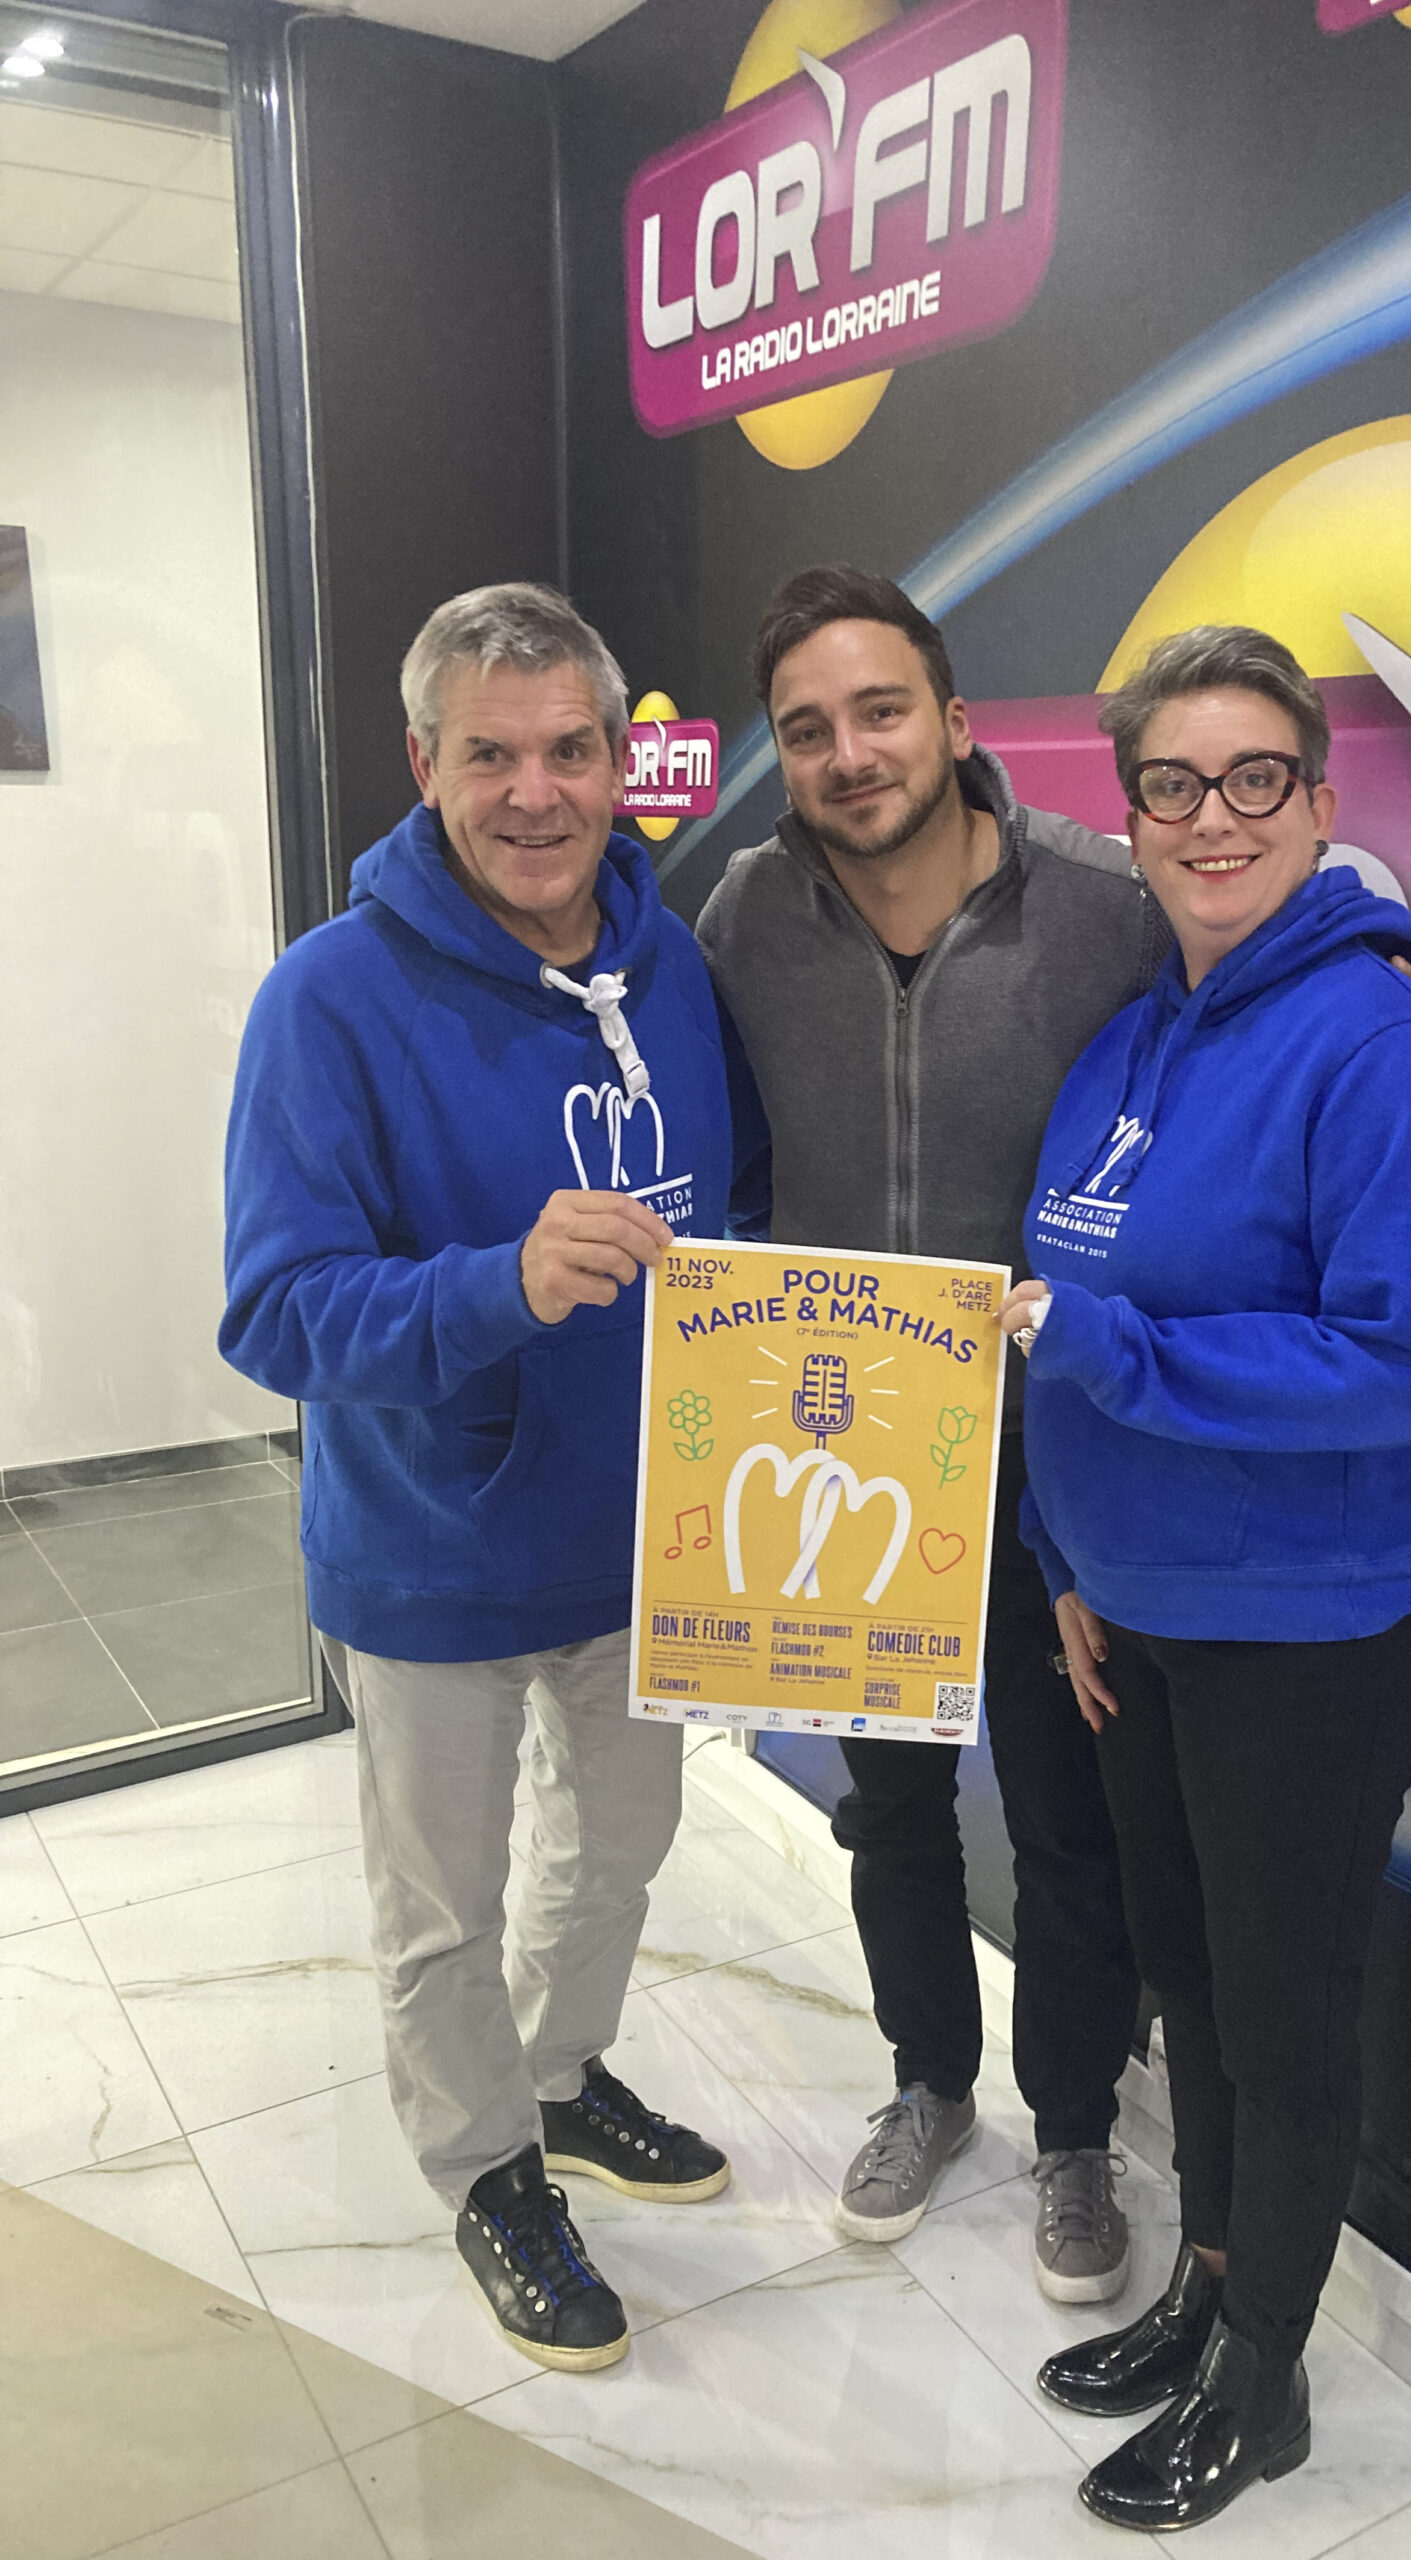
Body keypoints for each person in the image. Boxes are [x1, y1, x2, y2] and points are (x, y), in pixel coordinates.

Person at [997, 624, 1411, 2531]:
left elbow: (1409, 1365)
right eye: (1174, 786)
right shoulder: (1130, 1041)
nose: (1215, 818)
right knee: (1191, 1986)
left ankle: (1265, 2380)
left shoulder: (1381, 1049)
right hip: (1137, 1616)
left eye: (1255, 778)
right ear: (1129, 818)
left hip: (1311, 1632)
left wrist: (1124, 1358)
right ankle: (1212, 2291)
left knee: (1281, 2023)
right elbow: (1051, 1328)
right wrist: (1066, 1555)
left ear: (1319, 800)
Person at [221, 584, 740, 2376]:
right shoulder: (327, 999)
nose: (537, 792)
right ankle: (488, 2169)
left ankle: (563, 2081)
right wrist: (496, 1287)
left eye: (570, 749)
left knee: (621, 1854)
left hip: (644, 1537)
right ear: (423, 764)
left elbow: (732, 1221)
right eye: (491, 754)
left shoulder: (676, 969)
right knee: (442, 1905)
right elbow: (274, 1312)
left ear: (616, 760)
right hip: (431, 1546)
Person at [699, 565, 1157, 2300]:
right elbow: (729, 1148)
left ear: (955, 722)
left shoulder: (1106, 914)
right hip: (845, 1452)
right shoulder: (748, 912)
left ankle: (1075, 2136)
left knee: (1065, 1822)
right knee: (887, 1811)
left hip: (1049, 1466)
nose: (849, 752)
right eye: (808, 728)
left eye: (880, 710)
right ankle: (929, 2084)